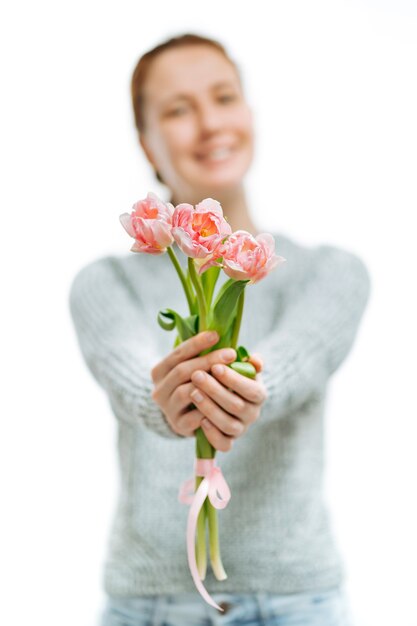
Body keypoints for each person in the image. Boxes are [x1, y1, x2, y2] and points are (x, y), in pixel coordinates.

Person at [69, 33, 371, 626]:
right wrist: (165, 401)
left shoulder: (330, 273)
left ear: (249, 115)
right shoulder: (103, 283)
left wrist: (249, 386)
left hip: (297, 601)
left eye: (223, 97)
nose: (209, 123)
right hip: (148, 604)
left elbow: (296, 361)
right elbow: (132, 375)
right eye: (178, 110)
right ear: (146, 143)